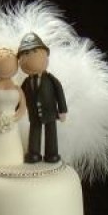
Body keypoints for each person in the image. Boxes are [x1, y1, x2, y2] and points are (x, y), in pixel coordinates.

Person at [18, 33, 67, 164]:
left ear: (45, 54)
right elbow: (20, 96)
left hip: (50, 112)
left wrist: (62, 110)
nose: (29, 57)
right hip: (34, 114)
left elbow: (60, 93)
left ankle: (52, 154)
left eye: (34, 51)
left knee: (51, 133)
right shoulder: (26, 82)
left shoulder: (51, 79)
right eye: (25, 54)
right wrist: (15, 108)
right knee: (34, 133)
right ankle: (34, 153)